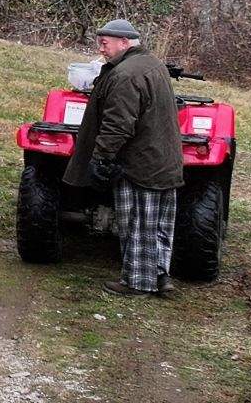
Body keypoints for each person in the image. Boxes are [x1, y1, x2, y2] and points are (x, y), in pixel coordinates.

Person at [64, 16, 185, 297]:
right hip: (164, 160)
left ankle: (137, 283)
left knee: (137, 223)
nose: (101, 50)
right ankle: (160, 277)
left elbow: (118, 124)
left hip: (139, 164)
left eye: (104, 44)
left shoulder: (125, 75)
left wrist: (102, 157)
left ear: (124, 42)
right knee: (158, 224)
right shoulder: (152, 64)